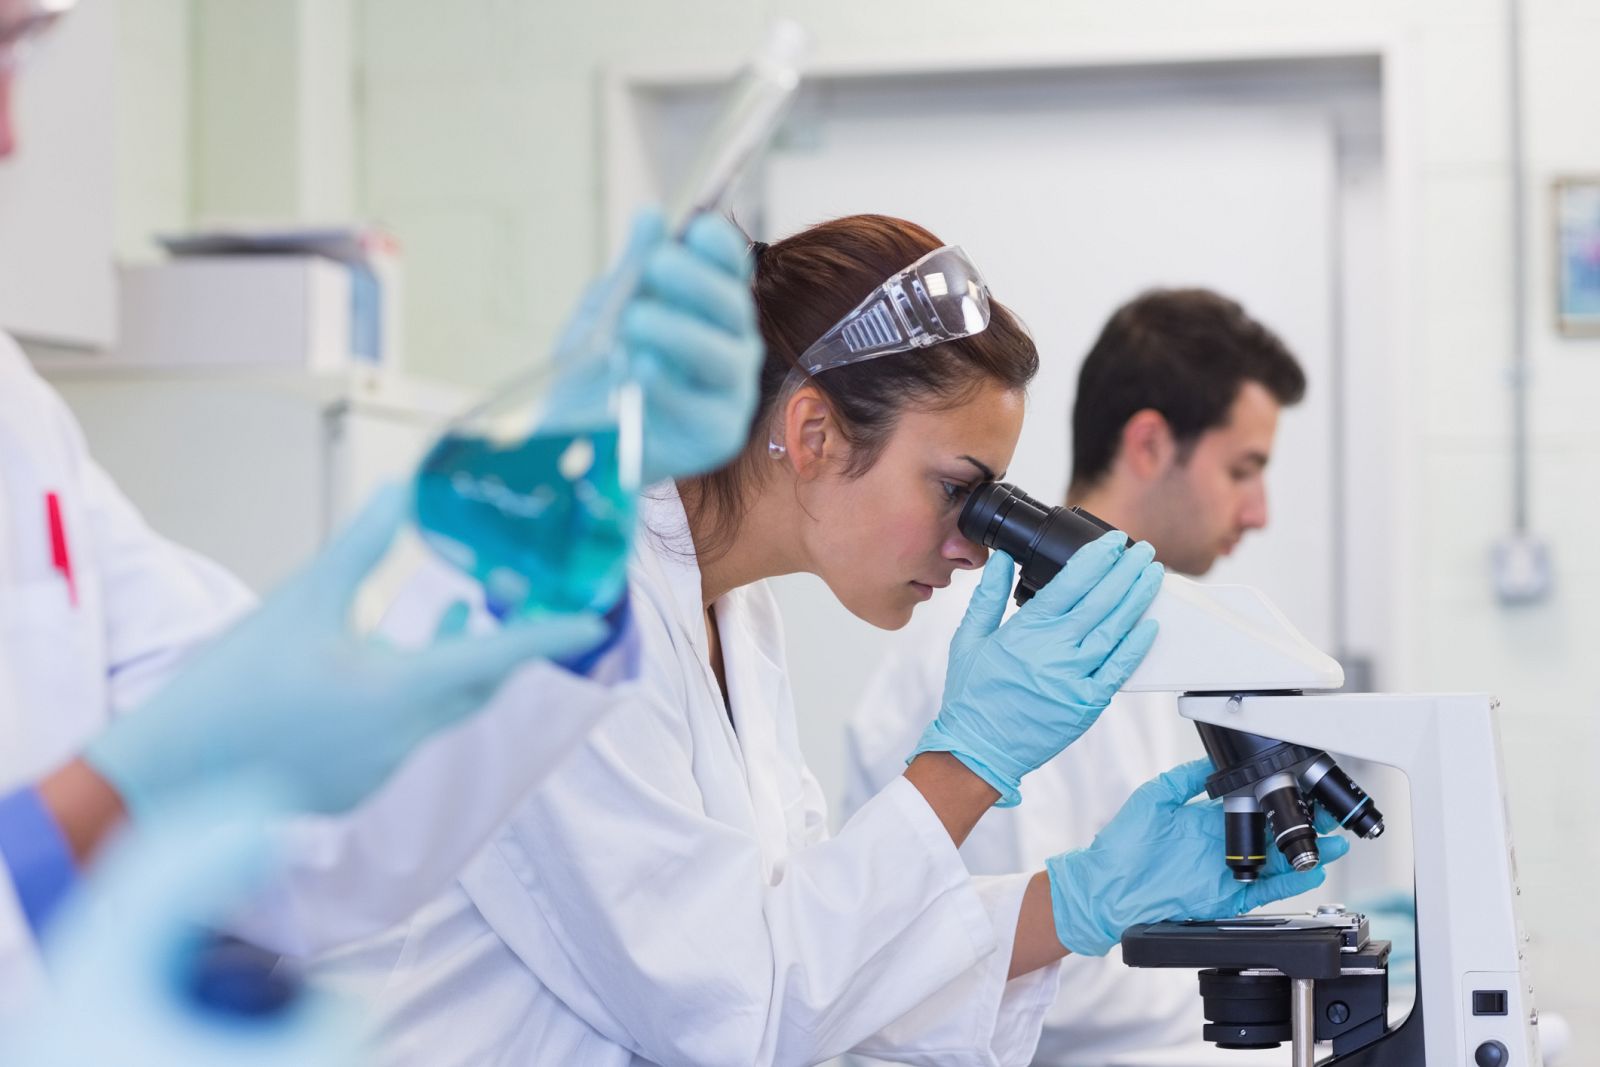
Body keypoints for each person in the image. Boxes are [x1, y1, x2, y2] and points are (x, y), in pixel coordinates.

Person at [301, 217, 1346, 1066]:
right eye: (958, 492)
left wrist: (1081, 899)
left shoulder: (737, 611)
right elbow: (740, 1009)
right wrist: (969, 760)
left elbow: (834, 970)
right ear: (810, 434)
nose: (974, 545)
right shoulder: (562, 611)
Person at [0, 0, 767, 1011]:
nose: (12, 134)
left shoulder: (21, 416)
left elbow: (315, 851)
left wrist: (556, 510)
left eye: (16, 54)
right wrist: (102, 801)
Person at [844, 287, 1310, 1065]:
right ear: (1152, 444)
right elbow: (1018, 966)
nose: (1259, 510)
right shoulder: (997, 659)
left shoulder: (1154, 635)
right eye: (1244, 468)